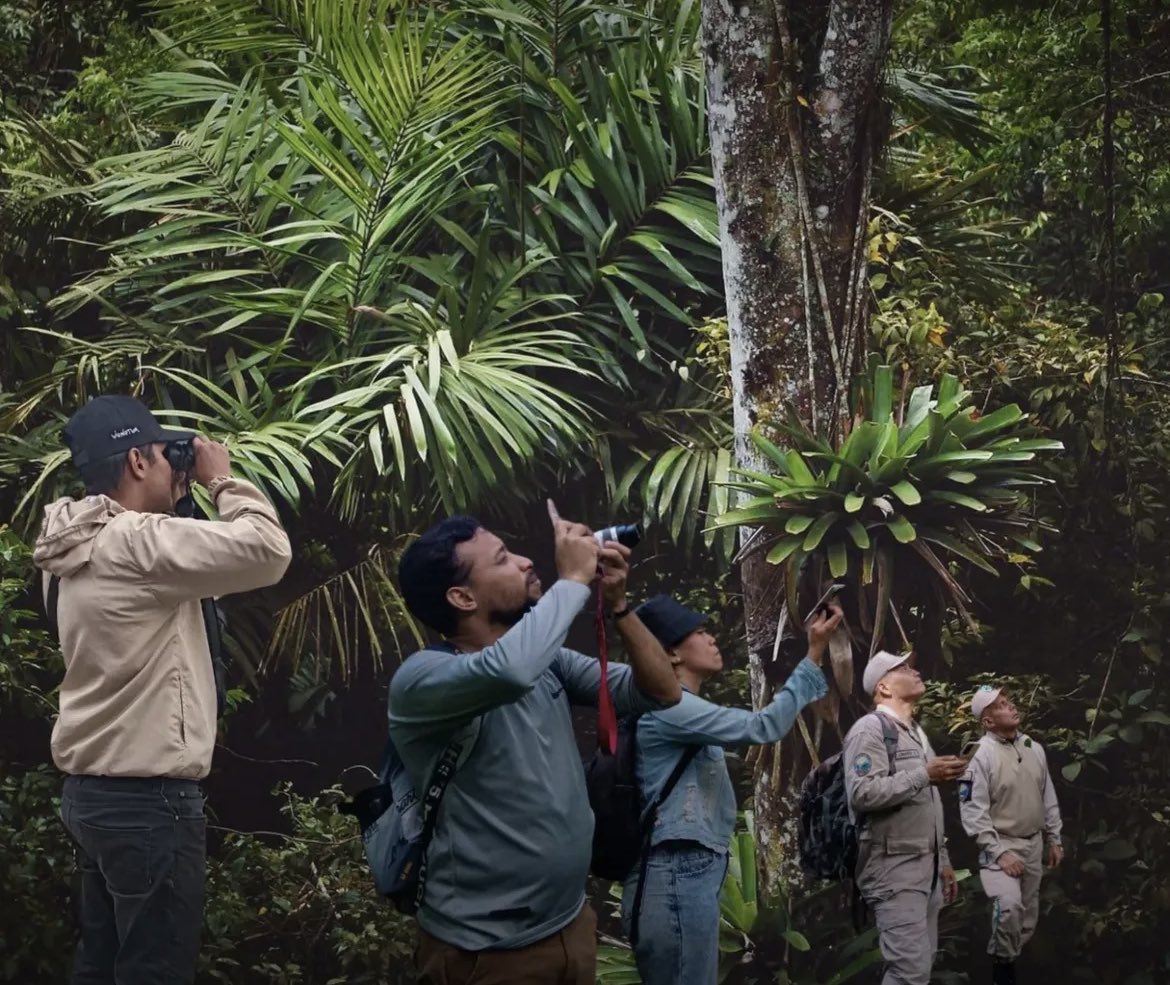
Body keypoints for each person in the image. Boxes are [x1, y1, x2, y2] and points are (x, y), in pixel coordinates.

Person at [33, 395, 293, 985]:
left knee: (101, 966)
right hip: (147, 801)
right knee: (155, 971)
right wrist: (220, 481)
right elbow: (267, 551)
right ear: (137, 461)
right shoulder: (139, 543)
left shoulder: (67, 544)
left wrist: (177, 499)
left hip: (91, 795)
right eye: (161, 452)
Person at [389, 501, 681, 985]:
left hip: (570, 925)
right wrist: (573, 579)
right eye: (502, 558)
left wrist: (618, 606)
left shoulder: (548, 660)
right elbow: (509, 672)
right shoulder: (422, 679)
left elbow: (661, 690)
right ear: (462, 598)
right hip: (487, 952)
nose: (526, 562)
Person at [620, 594, 842, 985]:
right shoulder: (670, 709)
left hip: (678, 873)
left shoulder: (680, 710)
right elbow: (763, 726)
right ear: (670, 653)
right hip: (674, 873)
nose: (711, 638)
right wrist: (815, 652)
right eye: (698, 632)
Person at [842, 650, 966, 985]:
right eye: (903, 668)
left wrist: (943, 859)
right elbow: (862, 793)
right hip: (893, 867)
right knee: (909, 971)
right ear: (883, 688)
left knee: (920, 967)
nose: (914, 671)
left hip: (926, 865)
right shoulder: (869, 729)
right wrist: (924, 774)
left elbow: (927, 802)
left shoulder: (915, 733)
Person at [959, 684, 1063, 985]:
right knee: (1008, 906)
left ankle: (1011, 968)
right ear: (988, 721)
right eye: (1001, 705)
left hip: (1034, 842)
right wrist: (998, 852)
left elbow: (1047, 796)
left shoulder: (1033, 747)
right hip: (1001, 843)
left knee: (1027, 918)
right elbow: (973, 810)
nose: (1011, 706)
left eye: (1009, 701)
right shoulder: (979, 755)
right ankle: (999, 972)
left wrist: (1055, 838)